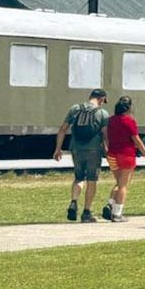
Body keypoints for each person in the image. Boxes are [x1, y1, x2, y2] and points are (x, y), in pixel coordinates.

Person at [54, 88, 108, 225]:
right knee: (91, 180)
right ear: (101, 99)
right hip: (94, 150)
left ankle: (73, 201)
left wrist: (58, 149)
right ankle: (86, 212)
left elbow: (62, 129)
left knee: (78, 177)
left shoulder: (75, 109)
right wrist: (107, 150)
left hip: (76, 149)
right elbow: (105, 135)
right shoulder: (102, 113)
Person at [100, 96, 145, 221]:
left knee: (119, 182)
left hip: (112, 154)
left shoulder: (111, 120)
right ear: (129, 108)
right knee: (124, 185)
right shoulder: (129, 120)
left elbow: (106, 136)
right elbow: (137, 140)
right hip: (126, 154)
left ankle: (110, 204)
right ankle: (117, 213)